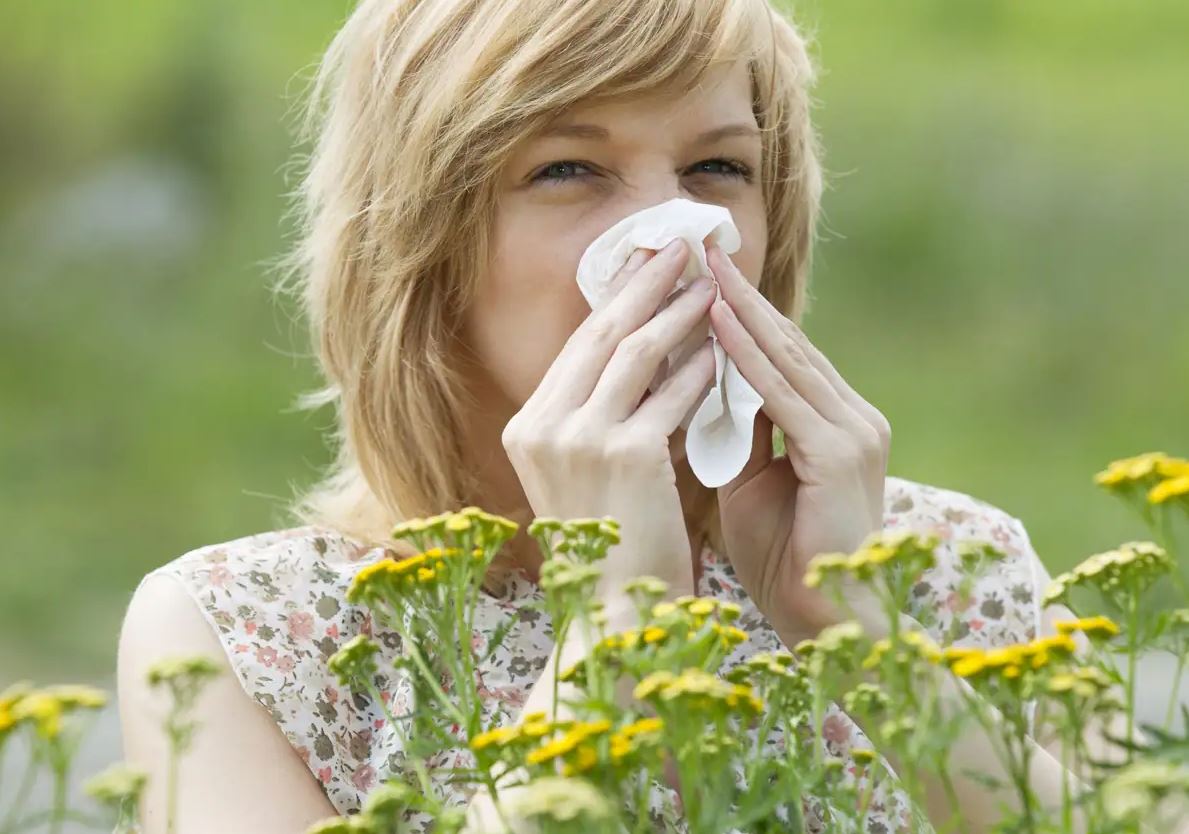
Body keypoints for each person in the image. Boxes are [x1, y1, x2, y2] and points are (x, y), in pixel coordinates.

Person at [116, 0, 1120, 832]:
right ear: (423, 242)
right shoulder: (250, 633)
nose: (669, 240)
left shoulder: (950, 568)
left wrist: (860, 632)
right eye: (568, 170)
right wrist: (614, 627)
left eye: (716, 169)